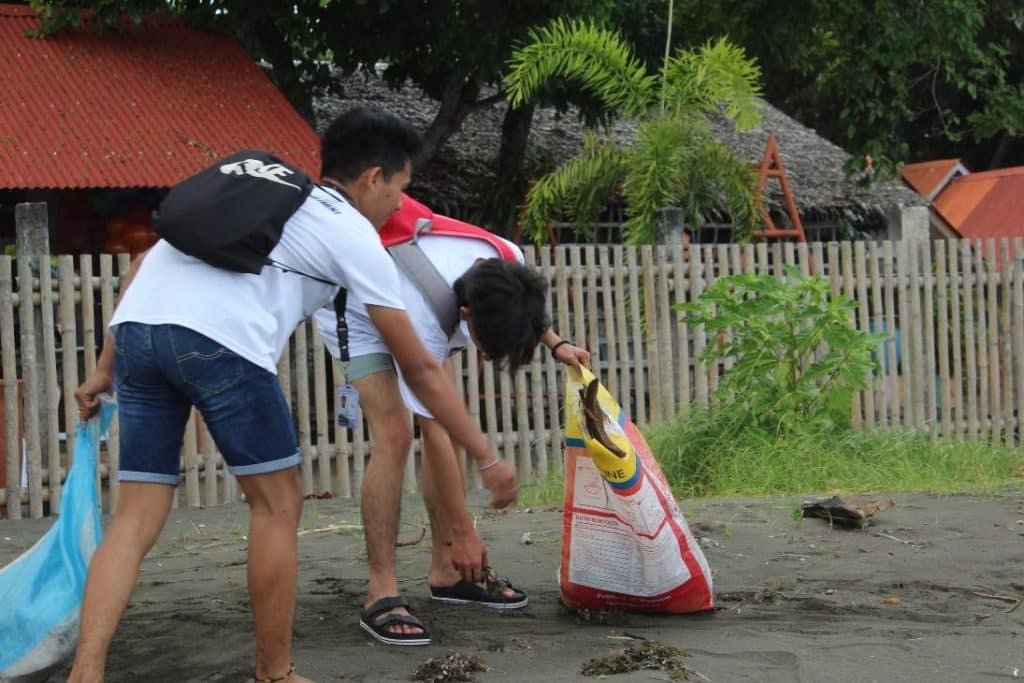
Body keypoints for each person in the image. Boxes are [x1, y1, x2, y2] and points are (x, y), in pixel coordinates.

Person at [70, 107, 516, 683]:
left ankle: (87, 668)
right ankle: (274, 673)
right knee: (278, 505)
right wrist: (485, 455)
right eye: (400, 190)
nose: (398, 206)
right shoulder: (351, 231)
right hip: (221, 343)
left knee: (133, 518)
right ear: (373, 178)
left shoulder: (258, 193)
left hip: (137, 333)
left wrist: (106, 367)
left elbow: (141, 266)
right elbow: (422, 370)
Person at [315, 213, 589, 646]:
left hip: (412, 293)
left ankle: (447, 572)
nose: (478, 353)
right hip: (355, 308)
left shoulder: (507, 258)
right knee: (396, 434)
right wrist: (466, 530)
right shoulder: (427, 319)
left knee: (439, 417)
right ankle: (381, 591)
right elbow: (438, 425)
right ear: (465, 314)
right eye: (480, 343)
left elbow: (526, 307)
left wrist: (556, 343)